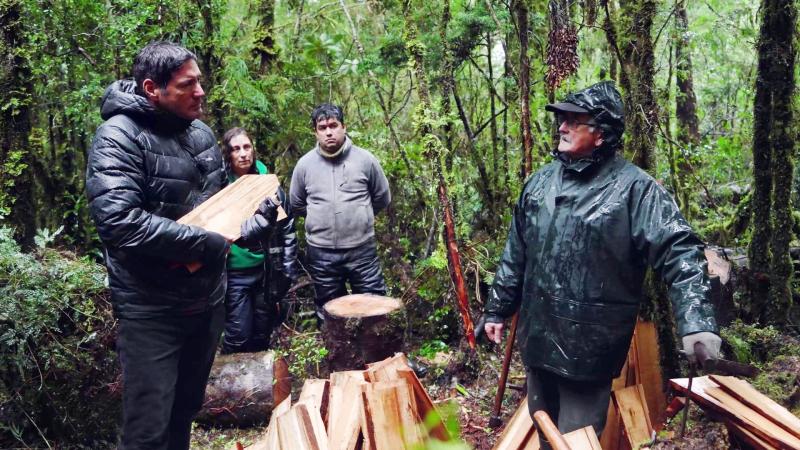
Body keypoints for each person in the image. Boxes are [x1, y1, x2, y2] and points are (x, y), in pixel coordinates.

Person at [483, 81, 720, 448]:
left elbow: (680, 250)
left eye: (574, 120)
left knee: (577, 439)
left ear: (601, 133)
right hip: (538, 338)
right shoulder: (540, 183)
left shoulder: (635, 190)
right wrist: (497, 309)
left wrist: (697, 322)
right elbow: (517, 253)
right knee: (544, 427)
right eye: (561, 118)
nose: (561, 126)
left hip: (588, 349)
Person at [86, 41, 275, 450]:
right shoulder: (118, 136)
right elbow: (119, 222)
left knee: (184, 413)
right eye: (188, 85)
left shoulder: (202, 134)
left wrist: (254, 225)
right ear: (153, 88)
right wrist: (204, 244)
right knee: (147, 428)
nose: (201, 92)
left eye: (200, 82)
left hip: (206, 302)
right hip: (150, 309)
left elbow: (220, 210)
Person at [289, 103, 391, 312]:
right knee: (329, 311)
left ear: (344, 127)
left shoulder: (365, 160)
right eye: (322, 127)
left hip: (362, 251)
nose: (329, 132)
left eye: (333, 125)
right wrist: (322, 219)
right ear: (315, 132)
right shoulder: (304, 165)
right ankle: (336, 346)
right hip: (321, 253)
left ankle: (373, 346)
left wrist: (359, 218)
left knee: (374, 307)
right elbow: (297, 203)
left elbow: (382, 197)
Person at [220, 127, 298, 353]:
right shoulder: (219, 184)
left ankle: (259, 385)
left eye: (246, 147)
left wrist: (288, 267)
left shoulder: (267, 182)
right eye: (236, 149)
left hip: (265, 271)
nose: (243, 153)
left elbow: (287, 226)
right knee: (238, 336)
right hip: (234, 274)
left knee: (262, 334)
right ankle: (230, 385)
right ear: (228, 154)